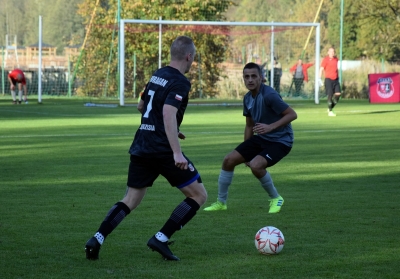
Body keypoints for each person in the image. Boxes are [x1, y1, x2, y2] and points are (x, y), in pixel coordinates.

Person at [85, 36, 207, 261]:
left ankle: (97, 238)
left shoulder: (157, 75)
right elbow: (168, 112)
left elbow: (141, 106)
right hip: (162, 150)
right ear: (189, 56)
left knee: (130, 199)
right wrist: (176, 151)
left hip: (142, 144)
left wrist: (165, 128)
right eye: (193, 58)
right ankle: (161, 238)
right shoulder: (180, 81)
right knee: (199, 195)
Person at [203, 62, 297, 214]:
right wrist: (246, 151)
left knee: (256, 166)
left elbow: (292, 114)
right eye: (247, 77)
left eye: (254, 76)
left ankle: (276, 198)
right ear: (243, 79)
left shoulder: (269, 95)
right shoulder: (247, 98)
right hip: (263, 138)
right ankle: (221, 202)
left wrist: (270, 127)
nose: (250, 80)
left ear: (261, 77)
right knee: (228, 160)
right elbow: (249, 126)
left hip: (281, 140)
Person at [319, 47, 341, 117]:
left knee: (338, 94)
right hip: (328, 79)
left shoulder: (336, 59)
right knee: (330, 95)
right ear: (328, 52)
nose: (332, 53)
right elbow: (321, 69)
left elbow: (336, 68)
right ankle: (330, 111)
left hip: (336, 79)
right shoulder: (325, 60)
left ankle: (330, 108)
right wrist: (319, 78)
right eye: (331, 52)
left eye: (333, 51)